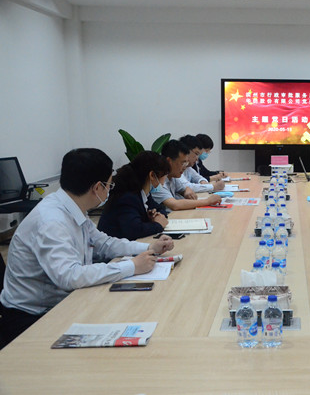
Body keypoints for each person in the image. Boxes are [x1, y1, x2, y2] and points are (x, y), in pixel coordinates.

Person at [0, 148, 174, 348]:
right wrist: (132, 266)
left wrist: (149, 247)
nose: (109, 190)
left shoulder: (73, 208)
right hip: (32, 319)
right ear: (98, 187)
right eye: (109, 185)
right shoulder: (51, 221)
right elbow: (69, 276)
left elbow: (104, 243)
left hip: (63, 302)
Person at [98, 150, 171, 240]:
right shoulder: (127, 197)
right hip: (113, 247)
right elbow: (135, 230)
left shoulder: (142, 193)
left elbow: (160, 208)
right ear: (152, 175)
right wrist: (158, 225)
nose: (164, 181)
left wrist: (156, 215)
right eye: (165, 176)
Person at [151, 140, 222, 211]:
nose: (185, 167)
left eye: (186, 163)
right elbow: (175, 205)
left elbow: (184, 188)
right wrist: (207, 201)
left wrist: (186, 190)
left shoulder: (173, 176)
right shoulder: (158, 180)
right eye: (182, 163)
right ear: (169, 161)